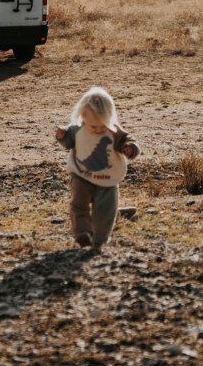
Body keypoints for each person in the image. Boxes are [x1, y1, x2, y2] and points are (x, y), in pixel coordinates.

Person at [56, 86, 140, 253]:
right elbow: (69, 143)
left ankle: (99, 240)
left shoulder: (114, 131)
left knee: (106, 209)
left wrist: (129, 148)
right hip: (82, 174)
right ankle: (83, 233)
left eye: (102, 126)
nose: (98, 130)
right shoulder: (77, 130)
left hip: (107, 178)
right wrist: (62, 136)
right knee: (78, 204)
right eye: (93, 127)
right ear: (82, 117)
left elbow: (127, 140)